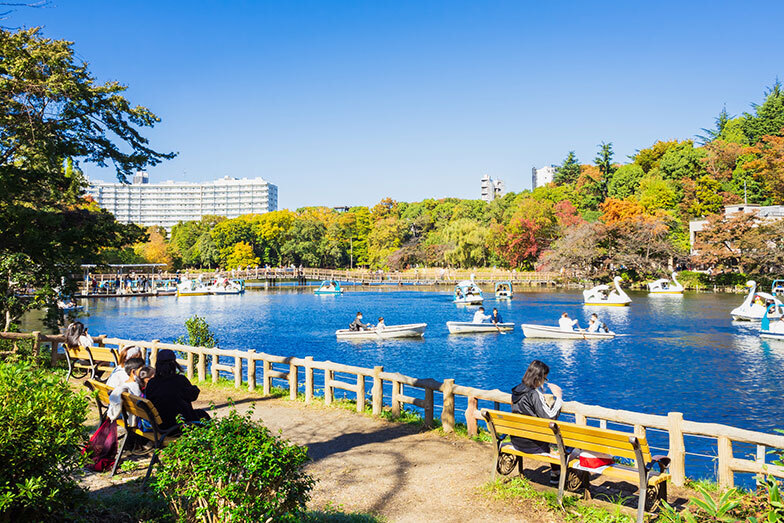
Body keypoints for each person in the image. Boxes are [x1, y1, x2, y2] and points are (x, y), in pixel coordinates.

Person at [510, 360, 564, 485]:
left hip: (517, 440)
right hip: (532, 444)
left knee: (550, 436)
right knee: (558, 439)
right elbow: (549, 417)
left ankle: (556, 473)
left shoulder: (516, 391)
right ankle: (557, 475)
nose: (544, 382)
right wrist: (558, 398)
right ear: (539, 378)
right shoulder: (534, 394)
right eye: (545, 379)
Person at [145, 349, 210, 431]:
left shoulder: (152, 383)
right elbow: (193, 396)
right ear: (174, 364)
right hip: (179, 425)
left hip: (161, 426)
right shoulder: (180, 381)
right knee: (202, 415)